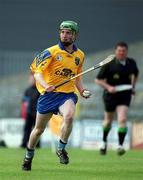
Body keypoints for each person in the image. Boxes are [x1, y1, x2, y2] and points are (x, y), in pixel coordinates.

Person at [22, 20, 91, 171]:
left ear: (75, 35)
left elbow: (77, 77)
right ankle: (28, 156)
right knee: (38, 130)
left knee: (69, 116)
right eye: (63, 32)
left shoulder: (80, 55)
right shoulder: (50, 52)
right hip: (48, 96)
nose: (65, 36)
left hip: (66, 95)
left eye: (68, 33)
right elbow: (37, 73)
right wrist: (46, 86)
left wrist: (81, 91)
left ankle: (61, 148)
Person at [95, 42, 139, 155]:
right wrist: (109, 87)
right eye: (119, 50)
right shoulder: (109, 64)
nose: (121, 53)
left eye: (123, 51)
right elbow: (98, 80)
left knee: (123, 119)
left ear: (126, 51)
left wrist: (133, 86)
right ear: (115, 51)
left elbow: (136, 74)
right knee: (108, 121)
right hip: (110, 95)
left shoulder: (131, 63)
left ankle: (120, 146)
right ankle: (104, 142)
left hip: (125, 94)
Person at [20, 73, 40, 148]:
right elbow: (24, 102)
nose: (32, 81)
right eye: (31, 79)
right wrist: (23, 113)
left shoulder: (39, 90)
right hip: (29, 113)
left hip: (37, 113)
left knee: (37, 130)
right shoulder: (27, 90)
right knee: (26, 129)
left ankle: (37, 145)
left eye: (33, 79)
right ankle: (24, 144)